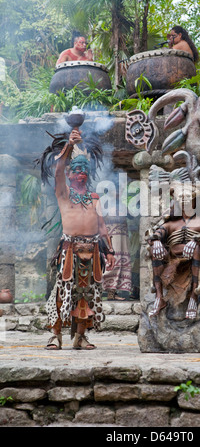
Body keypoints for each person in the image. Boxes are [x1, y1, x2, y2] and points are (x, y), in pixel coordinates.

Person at [44, 128, 115, 350]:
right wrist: (70, 146)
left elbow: (102, 226)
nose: (81, 172)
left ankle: (81, 336)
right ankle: (55, 335)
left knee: (87, 293)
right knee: (61, 292)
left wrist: (110, 251)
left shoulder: (94, 198)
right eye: (76, 169)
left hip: (92, 251)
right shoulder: (63, 193)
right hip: (69, 250)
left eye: (84, 169)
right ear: (70, 173)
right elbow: (57, 171)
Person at [147, 182, 200, 320]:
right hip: (172, 258)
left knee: (198, 248)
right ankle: (159, 297)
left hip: (196, 258)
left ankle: (194, 297)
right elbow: (153, 234)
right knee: (154, 249)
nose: (184, 199)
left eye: (188, 196)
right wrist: (156, 241)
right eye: (181, 196)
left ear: (195, 198)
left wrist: (197, 240)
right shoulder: (171, 223)